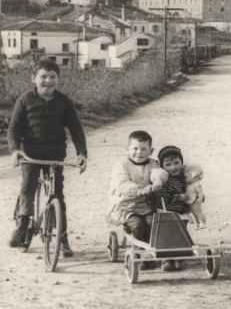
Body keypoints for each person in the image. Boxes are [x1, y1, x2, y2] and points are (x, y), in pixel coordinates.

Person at [7, 59, 88, 257]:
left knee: (57, 195)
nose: (48, 81)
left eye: (53, 77)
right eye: (43, 76)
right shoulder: (25, 100)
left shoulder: (64, 102)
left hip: (55, 154)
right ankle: (24, 223)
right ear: (33, 78)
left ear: (58, 80)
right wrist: (15, 150)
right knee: (28, 186)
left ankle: (62, 238)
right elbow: (14, 129)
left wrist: (82, 153)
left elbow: (76, 129)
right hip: (30, 154)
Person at [108, 130, 166, 270]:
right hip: (127, 206)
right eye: (135, 148)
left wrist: (159, 179)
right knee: (138, 225)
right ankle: (139, 256)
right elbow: (121, 183)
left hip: (146, 205)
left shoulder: (152, 164)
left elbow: (158, 171)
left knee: (154, 223)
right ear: (127, 148)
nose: (139, 152)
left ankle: (150, 254)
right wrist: (139, 190)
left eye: (143, 149)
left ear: (151, 150)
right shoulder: (121, 165)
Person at [154, 145, 206, 271]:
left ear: (182, 162)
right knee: (167, 235)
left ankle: (179, 258)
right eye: (168, 164)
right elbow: (160, 194)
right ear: (163, 167)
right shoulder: (164, 178)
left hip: (182, 211)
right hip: (167, 210)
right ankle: (167, 259)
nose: (173, 167)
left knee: (180, 234)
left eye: (176, 162)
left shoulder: (184, 176)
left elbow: (193, 186)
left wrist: (198, 195)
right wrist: (177, 196)